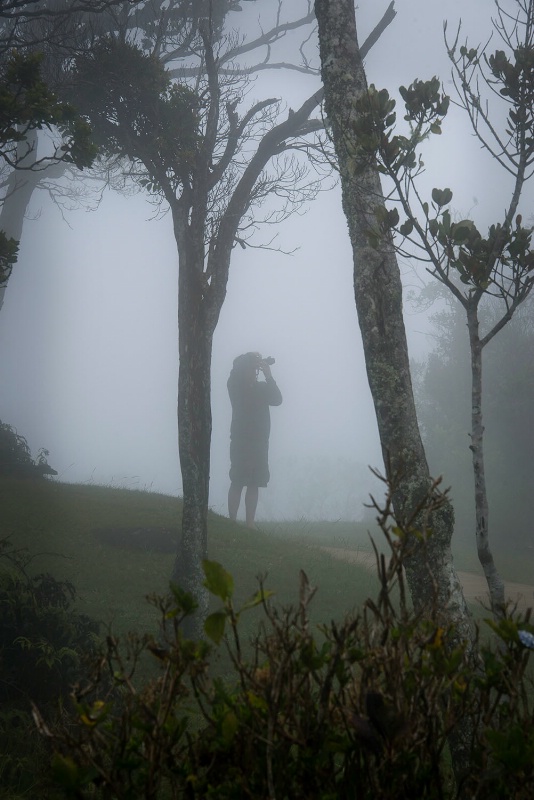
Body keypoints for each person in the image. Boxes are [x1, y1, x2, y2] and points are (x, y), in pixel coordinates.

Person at [227, 351, 282, 528]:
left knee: (255, 481)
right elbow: (235, 370)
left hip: (259, 441)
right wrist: (251, 358)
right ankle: (232, 521)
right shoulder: (236, 387)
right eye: (251, 369)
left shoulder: (262, 388)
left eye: (255, 370)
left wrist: (269, 376)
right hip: (241, 440)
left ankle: (250, 524)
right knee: (238, 480)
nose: (254, 372)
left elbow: (277, 400)